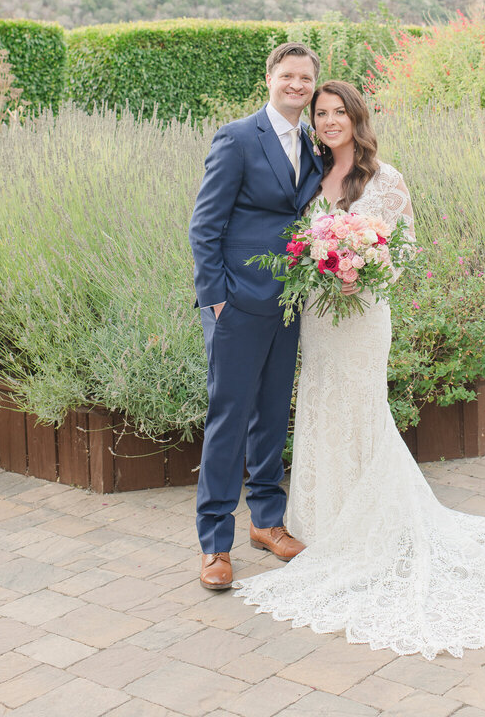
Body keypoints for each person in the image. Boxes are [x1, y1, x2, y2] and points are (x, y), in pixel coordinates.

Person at [234, 80, 485, 659]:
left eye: (340, 112)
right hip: (318, 313)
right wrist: (316, 262)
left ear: (358, 119)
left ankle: (375, 524)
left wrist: (363, 265)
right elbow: (292, 239)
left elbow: (404, 248)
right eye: (322, 113)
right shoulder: (309, 175)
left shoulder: (386, 179)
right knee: (318, 401)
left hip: (361, 315)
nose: (330, 121)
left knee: (361, 406)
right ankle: (322, 517)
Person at [188, 42, 323, 591]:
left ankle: (267, 521)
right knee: (228, 418)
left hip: (289, 301)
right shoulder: (239, 137)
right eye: (288, 75)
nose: (297, 85)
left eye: (306, 78)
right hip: (238, 304)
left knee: (271, 412)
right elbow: (205, 224)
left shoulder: (312, 142)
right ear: (269, 77)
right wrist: (216, 298)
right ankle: (215, 544)